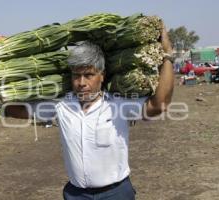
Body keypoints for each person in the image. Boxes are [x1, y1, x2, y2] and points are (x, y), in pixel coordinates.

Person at [31, 24, 174, 200]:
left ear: (102, 75)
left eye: (89, 75)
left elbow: (159, 105)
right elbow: (16, 110)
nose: (81, 82)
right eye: (76, 75)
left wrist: (167, 55)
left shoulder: (118, 104)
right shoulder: (61, 107)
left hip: (116, 193)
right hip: (76, 194)